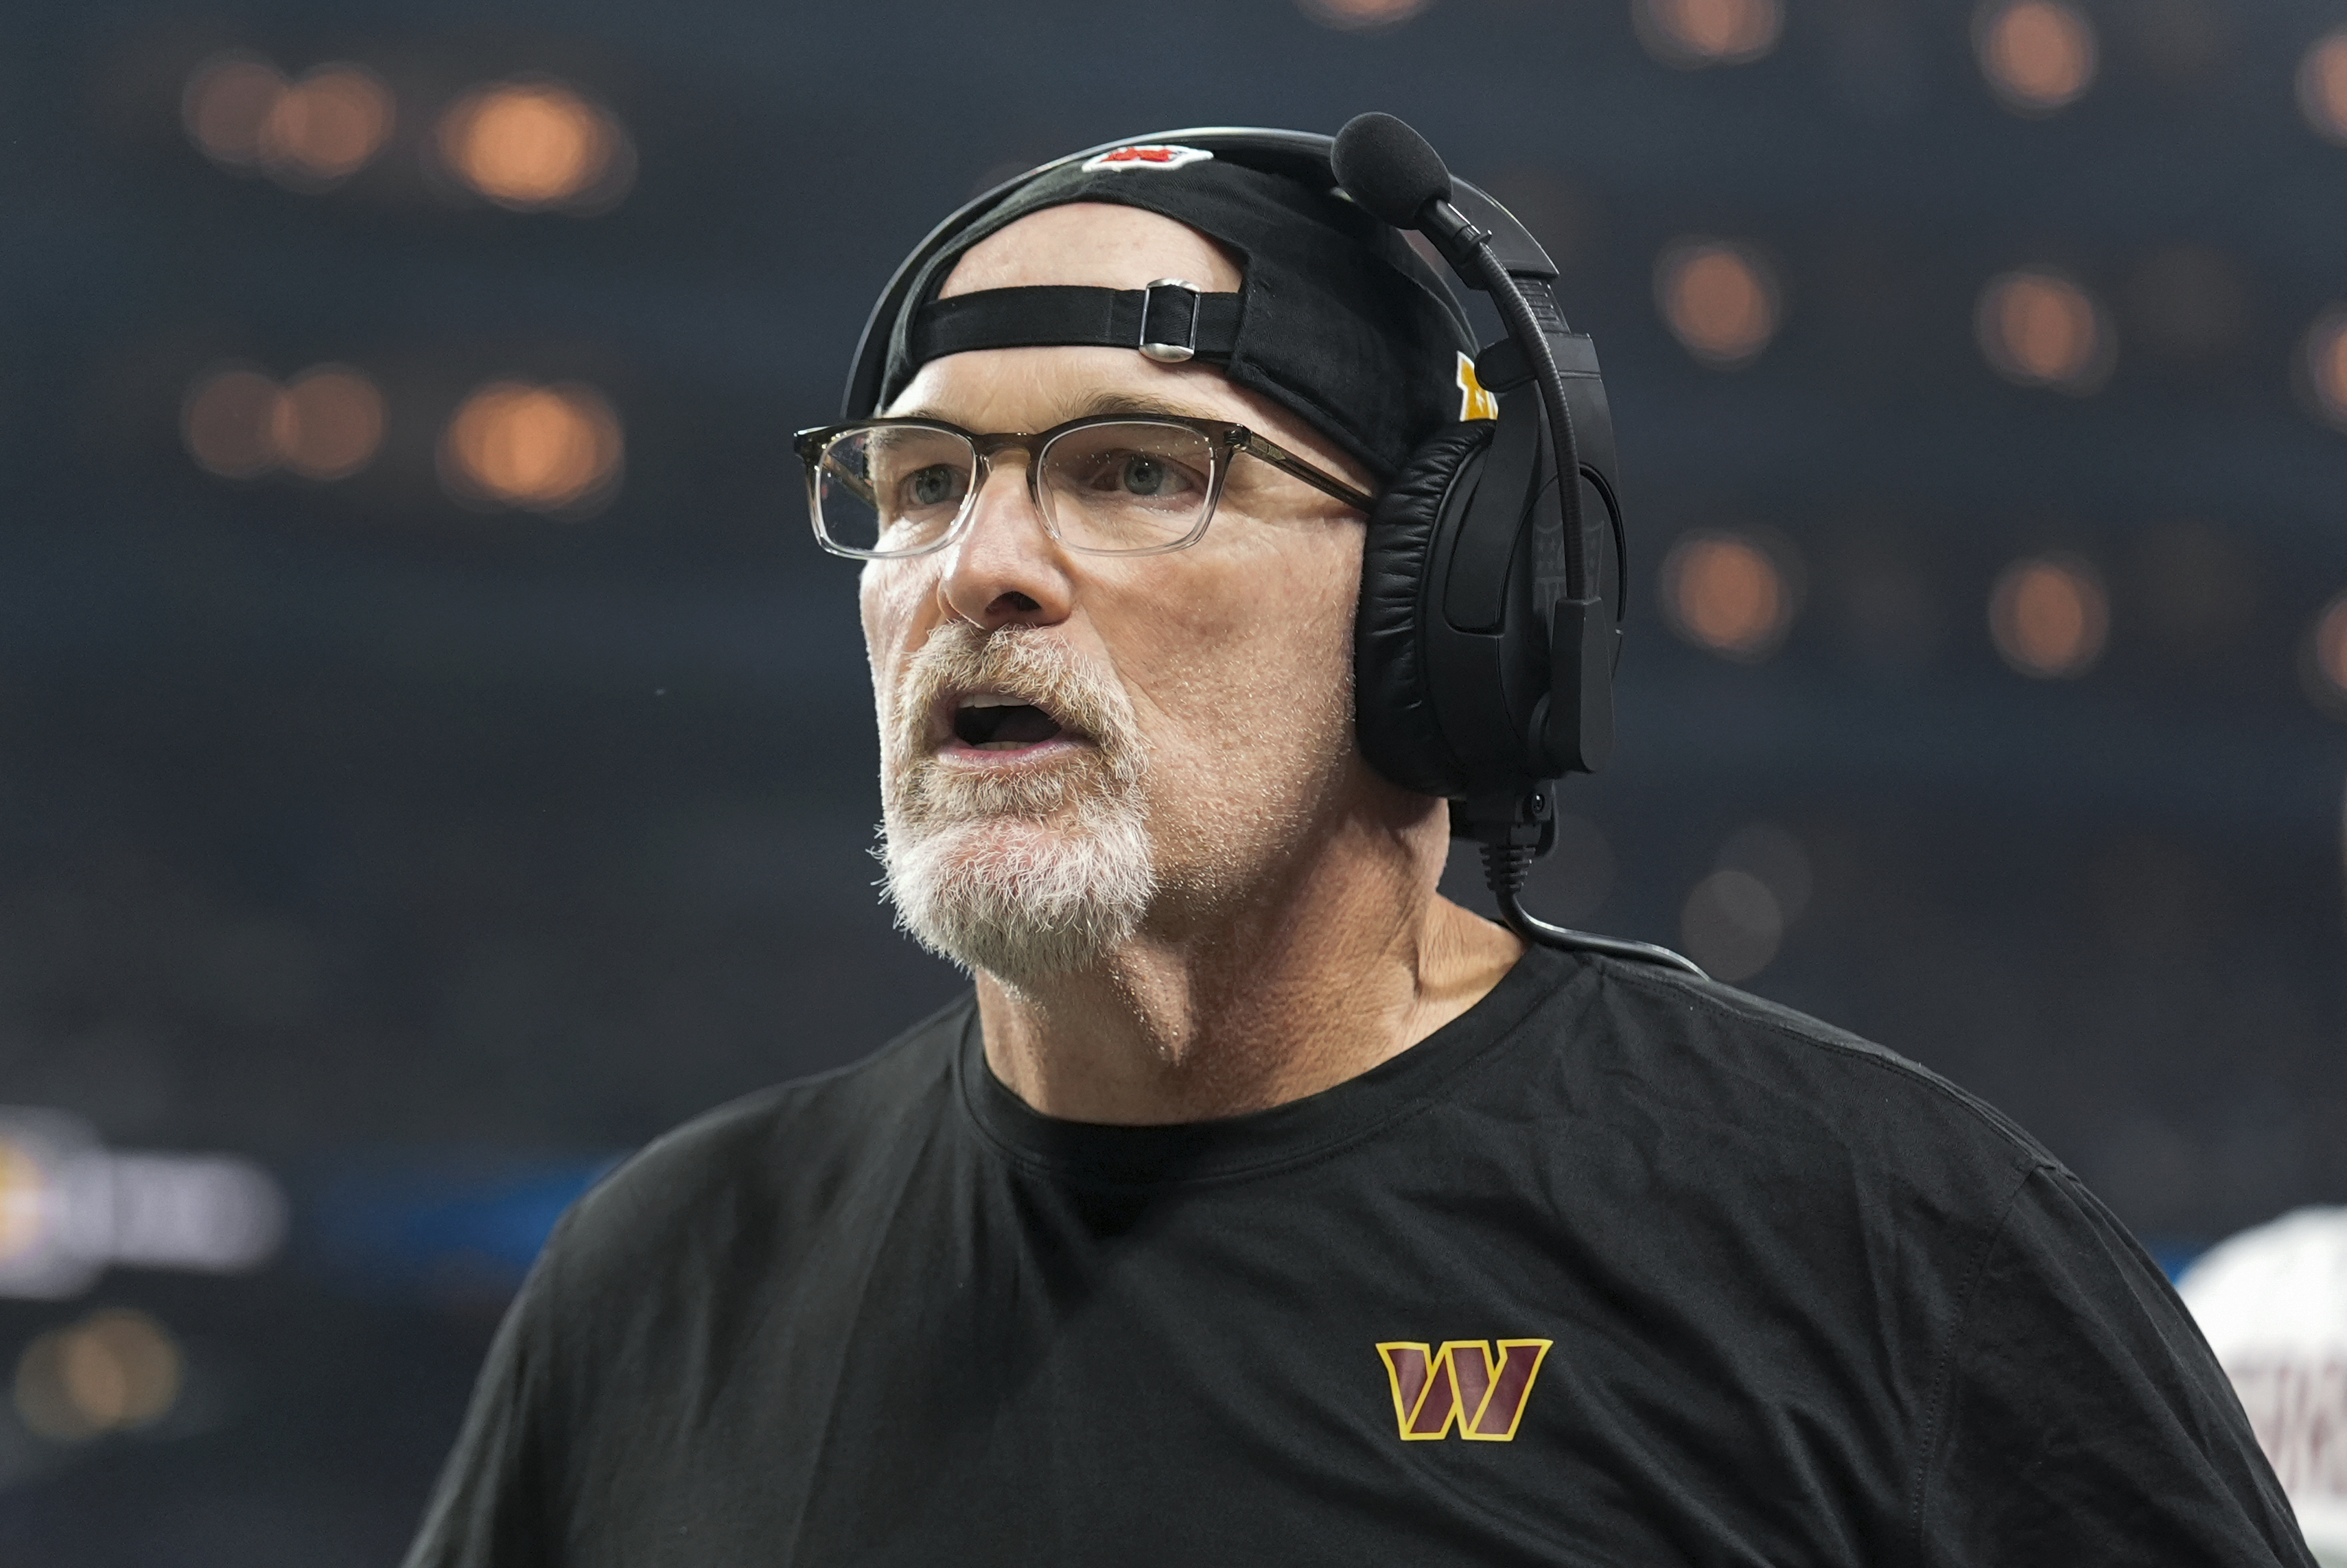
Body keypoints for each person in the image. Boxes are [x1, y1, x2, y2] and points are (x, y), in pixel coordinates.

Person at [404, 127, 2315, 1567]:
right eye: (917, 487)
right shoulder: (660, 1281)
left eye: (1137, 472)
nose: (976, 568)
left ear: (1443, 608)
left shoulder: (1858, 1237)